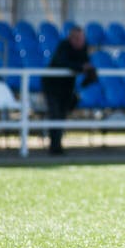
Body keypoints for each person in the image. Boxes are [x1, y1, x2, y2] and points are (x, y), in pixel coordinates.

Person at [41, 26, 95, 155]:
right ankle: (55, 147)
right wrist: (81, 67)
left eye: (81, 38)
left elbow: (87, 67)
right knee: (55, 115)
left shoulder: (83, 48)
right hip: (52, 87)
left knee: (62, 115)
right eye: (76, 38)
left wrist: (87, 74)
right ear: (70, 38)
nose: (80, 41)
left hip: (67, 88)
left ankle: (57, 145)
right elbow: (63, 63)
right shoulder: (63, 46)